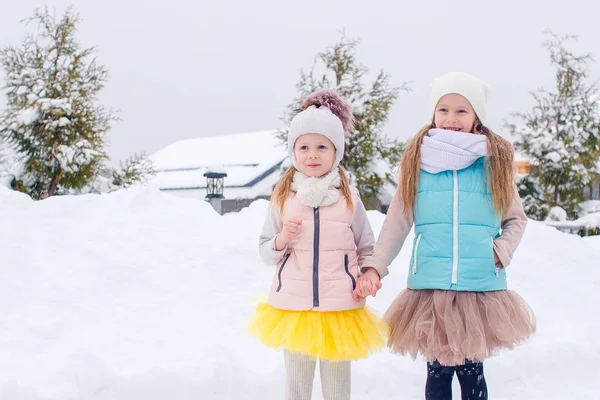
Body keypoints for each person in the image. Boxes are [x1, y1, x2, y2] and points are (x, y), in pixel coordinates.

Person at [354, 72, 536, 400]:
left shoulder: (493, 164)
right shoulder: (417, 163)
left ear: (476, 116)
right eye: (443, 110)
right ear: (433, 114)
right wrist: (374, 267)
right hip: (431, 287)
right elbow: (397, 222)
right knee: (437, 373)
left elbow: (516, 219)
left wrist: (499, 251)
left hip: (478, 286)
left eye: (461, 111)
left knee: (471, 373)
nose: (451, 118)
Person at [248, 89, 388, 400]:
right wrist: (282, 239)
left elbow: (368, 247)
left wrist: (370, 275)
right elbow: (264, 251)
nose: (313, 154)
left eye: (322, 147)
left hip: (340, 308)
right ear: (294, 151)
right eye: (305, 147)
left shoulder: (349, 199)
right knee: (297, 389)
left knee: (338, 391)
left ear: (336, 152)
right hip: (294, 310)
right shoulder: (284, 199)